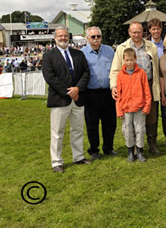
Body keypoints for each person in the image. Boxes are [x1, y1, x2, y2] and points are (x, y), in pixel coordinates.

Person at [42, 26, 91, 173]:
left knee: (78, 130)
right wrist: (68, 91)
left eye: (65, 36)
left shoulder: (78, 54)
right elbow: (50, 77)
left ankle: (78, 157)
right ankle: (57, 162)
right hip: (59, 100)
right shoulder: (48, 56)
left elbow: (86, 73)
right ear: (55, 38)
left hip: (78, 98)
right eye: (60, 36)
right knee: (57, 133)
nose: (63, 38)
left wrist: (77, 89)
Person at [110, 21, 160, 155]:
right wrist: (114, 86)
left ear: (143, 32)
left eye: (139, 32)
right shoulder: (122, 48)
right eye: (134, 32)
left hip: (148, 84)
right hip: (129, 87)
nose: (136, 35)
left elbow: (156, 68)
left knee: (151, 117)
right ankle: (133, 147)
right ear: (129, 32)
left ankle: (152, 144)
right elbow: (115, 69)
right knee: (131, 119)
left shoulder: (151, 47)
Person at [81, 26, 117, 160]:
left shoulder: (109, 51)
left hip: (108, 93)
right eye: (93, 37)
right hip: (91, 93)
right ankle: (94, 150)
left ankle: (108, 148)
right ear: (87, 38)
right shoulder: (82, 53)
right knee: (92, 124)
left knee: (110, 123)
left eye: (98, 36)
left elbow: (115, 70)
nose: (96, 39)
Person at [116, 48, 151, 162]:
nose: (129, 62)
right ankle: (130, 152)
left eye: (131, 60)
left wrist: (147, 106)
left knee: (140, 129)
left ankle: (140, 151)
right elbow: (118, 94)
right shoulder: (120, 75)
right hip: (125, 108)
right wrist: (119, 110)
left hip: (139, 107)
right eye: (127, 60)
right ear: (123, 60)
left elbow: (146, 91)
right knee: (127, 130)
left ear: (135, 59)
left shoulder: (141, 73)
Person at [147, 18, 166, 152]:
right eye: (153, 29)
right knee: (153, 113)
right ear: (149, 30)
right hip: (153, 82)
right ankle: (153, 142)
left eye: (158, 28)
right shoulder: (147, 45)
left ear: (161, 29)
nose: (156, 31)